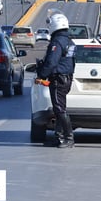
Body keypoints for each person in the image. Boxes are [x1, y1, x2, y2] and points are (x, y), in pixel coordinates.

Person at [35, 12, 76, 148]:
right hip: (66, 78)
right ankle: (58, 138)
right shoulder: (69, 41)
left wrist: (42, 75)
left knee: (59, 109)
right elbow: (71, 62)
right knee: (59, 109)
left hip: (59, 78)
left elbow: (52, 61)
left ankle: (69, 138)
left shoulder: (57, 42)